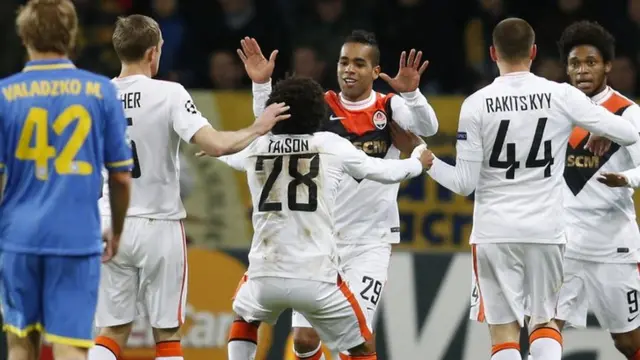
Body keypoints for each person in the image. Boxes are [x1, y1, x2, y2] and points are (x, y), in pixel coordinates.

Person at [423, 18, 640, 360]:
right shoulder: (561, 95)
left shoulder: (476, 104)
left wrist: (427, 158)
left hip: (495, 230)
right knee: (545, 322)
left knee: (505, 335)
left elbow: (464, 184)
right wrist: (604, 129)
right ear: (534, 52)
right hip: (548, 231)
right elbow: (628, 132)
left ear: (492, 53)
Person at [88, 14, 290, 360]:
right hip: (159, 224)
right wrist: (257, 128)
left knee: (113, 330)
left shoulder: (95, 97)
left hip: (110, 223)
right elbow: (216, 145)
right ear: (154, 53)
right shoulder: (169, 94)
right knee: (166, 334)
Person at [234, 29, 439, 360]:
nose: (349, 69)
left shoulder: (389, 107)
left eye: (359, 63)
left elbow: (428, 128)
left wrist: (412, 95)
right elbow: (271, 130)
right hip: (321, 243)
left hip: (369, 243)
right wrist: (262, 86)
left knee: (355, 341)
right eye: (344, 62)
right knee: (302, 339)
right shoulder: (320, 107)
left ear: (375, 71)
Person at [0, 1, 133, 360]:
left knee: (19, 343)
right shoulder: (101, 91)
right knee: (69, 347)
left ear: (24, 35)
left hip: (18, 238)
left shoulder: (4, 94)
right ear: (72, 35)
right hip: (75, 238)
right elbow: (121, 176)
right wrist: (117, 229)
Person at [551, 20, 640, 360]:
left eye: (591, 62)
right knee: (546, 326)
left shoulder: (627, 113)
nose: (582, 70)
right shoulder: (555, 108)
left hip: (612, 245)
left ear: (607, 66)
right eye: (575, 63)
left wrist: (627, 179)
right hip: (563, 241)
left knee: (627, 343)